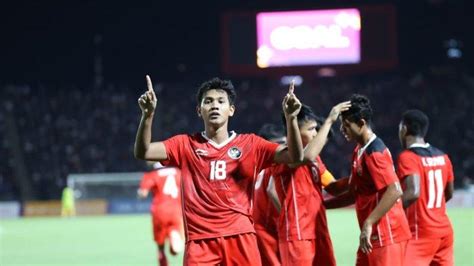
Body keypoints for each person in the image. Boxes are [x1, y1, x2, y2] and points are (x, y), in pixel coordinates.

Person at [134, 76, 304, 265]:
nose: (215, 106)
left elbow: (295, 157)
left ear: (231, 110)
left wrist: (292, 119)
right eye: (208, 101)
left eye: (221, 101)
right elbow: (144, 151)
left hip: (241, 236)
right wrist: (147, 116)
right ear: (199, 110)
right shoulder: (184, 144)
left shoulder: (251, 144)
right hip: (200, 242)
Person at [325, 94, 411, 266]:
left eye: (347, 124)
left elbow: (395, 190)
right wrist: (321, 205)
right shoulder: (359, 150)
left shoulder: (375, 152)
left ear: (362, 123)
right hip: (373, 236)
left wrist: (369, 223)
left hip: (387, 234)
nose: (342, 129)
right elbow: (353, 194)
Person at [270, 102, 350, 266]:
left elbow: (333, 187)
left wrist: (358, 177)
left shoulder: (315, 159)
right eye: (311, 129)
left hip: (318, 230)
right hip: (298, 234)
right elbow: (304, 157)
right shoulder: (284, 155)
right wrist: (329, 121)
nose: (315, 133)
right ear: (295, 132)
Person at [396, 109, 454, 265]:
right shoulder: (443, 157)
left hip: (420, 233)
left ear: (404, 129)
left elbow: (413, 192)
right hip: (444, 231)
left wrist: (389, 209)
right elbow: (448, 193)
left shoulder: (408, 157)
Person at [137, 161, 184, 266]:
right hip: (177, 210)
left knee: (160, 246)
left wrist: (139, 194)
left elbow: (143, 194)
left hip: (159, 211)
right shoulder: (178, 172)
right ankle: (173, 236)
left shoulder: (151, 175)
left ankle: (164, 260)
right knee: (175, 232)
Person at [253, 123, 286, 266]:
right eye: (278, 144)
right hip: (269, 231)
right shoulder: (274, 165)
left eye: (284, 144)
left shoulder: (254, 167)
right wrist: (290, 219)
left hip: (259, 229)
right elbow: (272, 191)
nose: (282, 149)